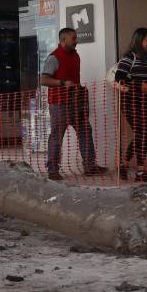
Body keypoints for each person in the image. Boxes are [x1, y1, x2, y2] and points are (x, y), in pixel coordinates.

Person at [40, 28, 107, 180]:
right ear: (63, 40)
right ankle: (52, 170)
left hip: (77, 102)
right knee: (57, 136)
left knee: (85, 131)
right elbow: (43, 80)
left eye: (76, 38)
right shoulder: (54, 57)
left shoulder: (75, 56)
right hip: (59, 104)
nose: (76, 41)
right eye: (73, 38)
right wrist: (63, 83)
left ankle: (90, 166)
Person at [114, 28, 147, 183]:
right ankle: (130, 166)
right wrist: (139, 86)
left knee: (144, 134)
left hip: (143, 102)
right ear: (139, 41)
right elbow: (119, 78)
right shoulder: (129, 58)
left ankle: (137, 170)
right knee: (140, 133)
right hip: (129, 103)